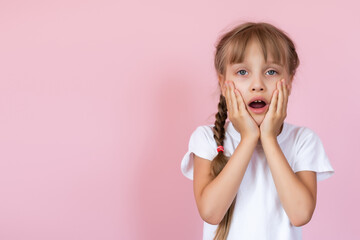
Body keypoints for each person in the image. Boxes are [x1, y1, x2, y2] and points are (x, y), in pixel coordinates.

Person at [180, 21, 335, 240]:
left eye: (271, 71)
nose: (257, 84)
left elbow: (300, 214)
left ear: (289, 80)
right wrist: (249, 138)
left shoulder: (303, 140)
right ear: (223, 83)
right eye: (242, 72)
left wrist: (269, 138)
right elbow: (211, 213)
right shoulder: (206, 139)